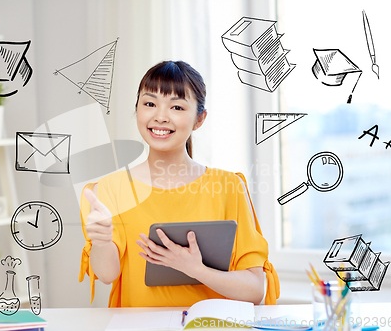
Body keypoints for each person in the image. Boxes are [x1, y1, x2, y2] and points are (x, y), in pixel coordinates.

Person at [79, 61, 279, 307]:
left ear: (199, 119)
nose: (160, 117)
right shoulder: (112, 188)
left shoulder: (228, 187)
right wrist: (101, 240)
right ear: (137, 110)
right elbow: (107, 275)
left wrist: (196, 269)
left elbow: (255, 289)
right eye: (149, 104)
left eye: (176, 106)